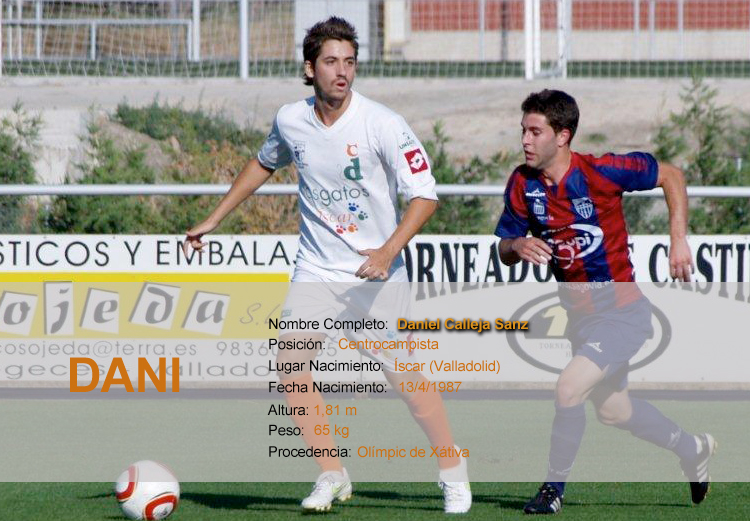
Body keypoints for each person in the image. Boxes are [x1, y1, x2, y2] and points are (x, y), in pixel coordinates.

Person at [183, 16, 471, 514]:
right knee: (291, 364)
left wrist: (387, 252)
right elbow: (264, 162)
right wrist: (213, 219)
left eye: (350, 62)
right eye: (332, 61)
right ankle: (332, 473)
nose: (342, 71)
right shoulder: (290, 119)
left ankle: (452, 468)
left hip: (375, 274)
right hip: (316, 267)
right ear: (309, 68)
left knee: (403, 378)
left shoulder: (383, 123)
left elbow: (425, 197)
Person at [495, 89, 716, 514]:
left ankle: (552, 490)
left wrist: (678, 240)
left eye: (535, 131)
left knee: (568, 388)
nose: (524, 140)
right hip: (580, 318)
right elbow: (504, 249)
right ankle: (691, 447)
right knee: (614, 410)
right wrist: (517, 245)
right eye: (523, 130)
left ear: (563, 136)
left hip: (622, 312)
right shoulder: (523, 183)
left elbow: (672, 175)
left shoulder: (601, 171)